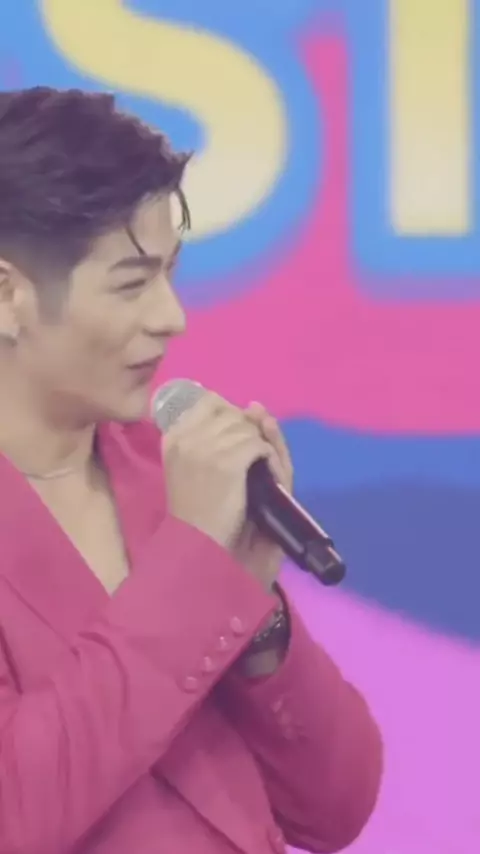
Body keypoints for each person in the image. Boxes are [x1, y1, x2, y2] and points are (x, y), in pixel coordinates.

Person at [0, 87, 382, 854]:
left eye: (170, 275)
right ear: (8, 296)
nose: (170, 317)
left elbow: (336, 807)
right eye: (131, 283)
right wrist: (198, 571)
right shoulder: (191, 521)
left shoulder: (168, 471)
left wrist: (258, 613)